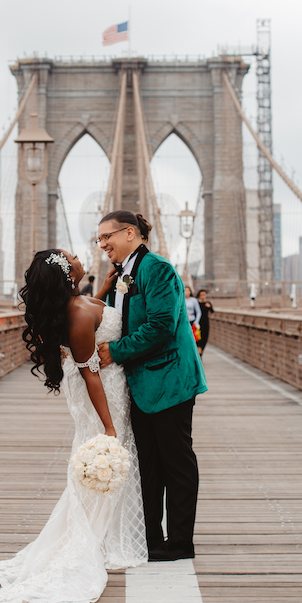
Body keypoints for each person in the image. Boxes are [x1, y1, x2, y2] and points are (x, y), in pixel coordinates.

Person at [0, 249, 147, 603]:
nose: (81, 256)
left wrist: (104, 292)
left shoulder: (79, 304)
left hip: (104, 382)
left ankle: (108, 533)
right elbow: (89, 370)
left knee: (103, 456)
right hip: (105, 391)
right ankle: (103, 540)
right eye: (73, 256)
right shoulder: (80, 312)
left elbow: (88, 322)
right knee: (110, 451)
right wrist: (109, 425)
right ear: (67, 273)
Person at [97, 211, 208, 561]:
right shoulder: (123, 274)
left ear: (130, 233)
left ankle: (179, 542)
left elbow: (161, 325)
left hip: (170, 380)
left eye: (106, 237)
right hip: (142, 383)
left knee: (176, 462)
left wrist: (115, 351)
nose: (102, 245)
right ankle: (152, 539)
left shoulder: (157, 269)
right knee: (148, 465)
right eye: (98, 240)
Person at [196, 288, 214, 356]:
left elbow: (212, 311)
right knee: (198, 338)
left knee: (205, 338)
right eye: (201, 295)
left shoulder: (208, 303)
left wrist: (209, 307)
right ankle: (199, 353)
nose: (202, 296)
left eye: (204, 295)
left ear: (206, 295)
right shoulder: (197, 303)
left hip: (206, 323)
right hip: (198, 323)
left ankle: (201, 353)